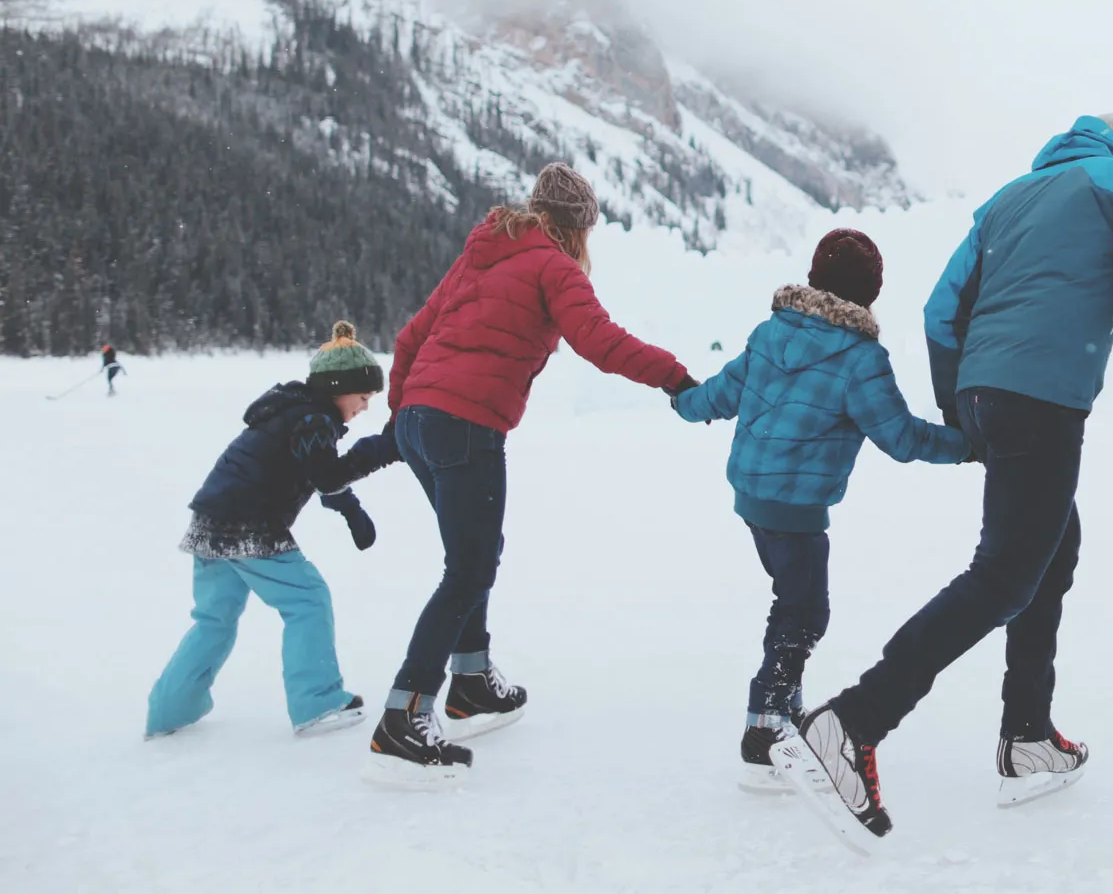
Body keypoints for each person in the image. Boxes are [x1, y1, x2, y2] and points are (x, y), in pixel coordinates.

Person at [779, 114, 1113, 840]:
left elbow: (941, 312)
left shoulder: (1005, 200)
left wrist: (963, 408)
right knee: (1005, 573)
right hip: (1043, 396)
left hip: (989, 390)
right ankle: (851, 721)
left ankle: (1029, 733)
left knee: (1053, 545)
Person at [369, 162, 692, 782]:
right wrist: (675, 377)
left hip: (420, 420)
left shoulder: (483, 252)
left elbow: (411, 336)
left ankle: (470, 681)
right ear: (578, 227)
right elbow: (599, 342)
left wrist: (404, 413)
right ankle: (404, 716)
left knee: (474, 554)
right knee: (468, 568)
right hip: (464, 424)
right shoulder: (553, 266)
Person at [670, 229, 970, 791]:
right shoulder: (859, 358)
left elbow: (719, 394)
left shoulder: (769, 333)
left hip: (752, 498)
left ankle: (782, 713)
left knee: (791, 601)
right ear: (870, 294)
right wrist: (969, 445)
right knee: (804, 614)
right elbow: (901, 439)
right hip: (797, 509)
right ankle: (764, 729)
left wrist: (683, 399)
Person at [146, 322, 396, 739]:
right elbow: (327, 472)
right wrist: (380, 450)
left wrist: (351, 511)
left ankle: (170, 708)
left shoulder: (295, 412)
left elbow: (317, 473)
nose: (366, 407)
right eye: (364, 397)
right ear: (338, 388)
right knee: (308, 600)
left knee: (214, 619)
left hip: (211, 519)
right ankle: (317, 702)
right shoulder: (313, 420)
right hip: (249, 523)